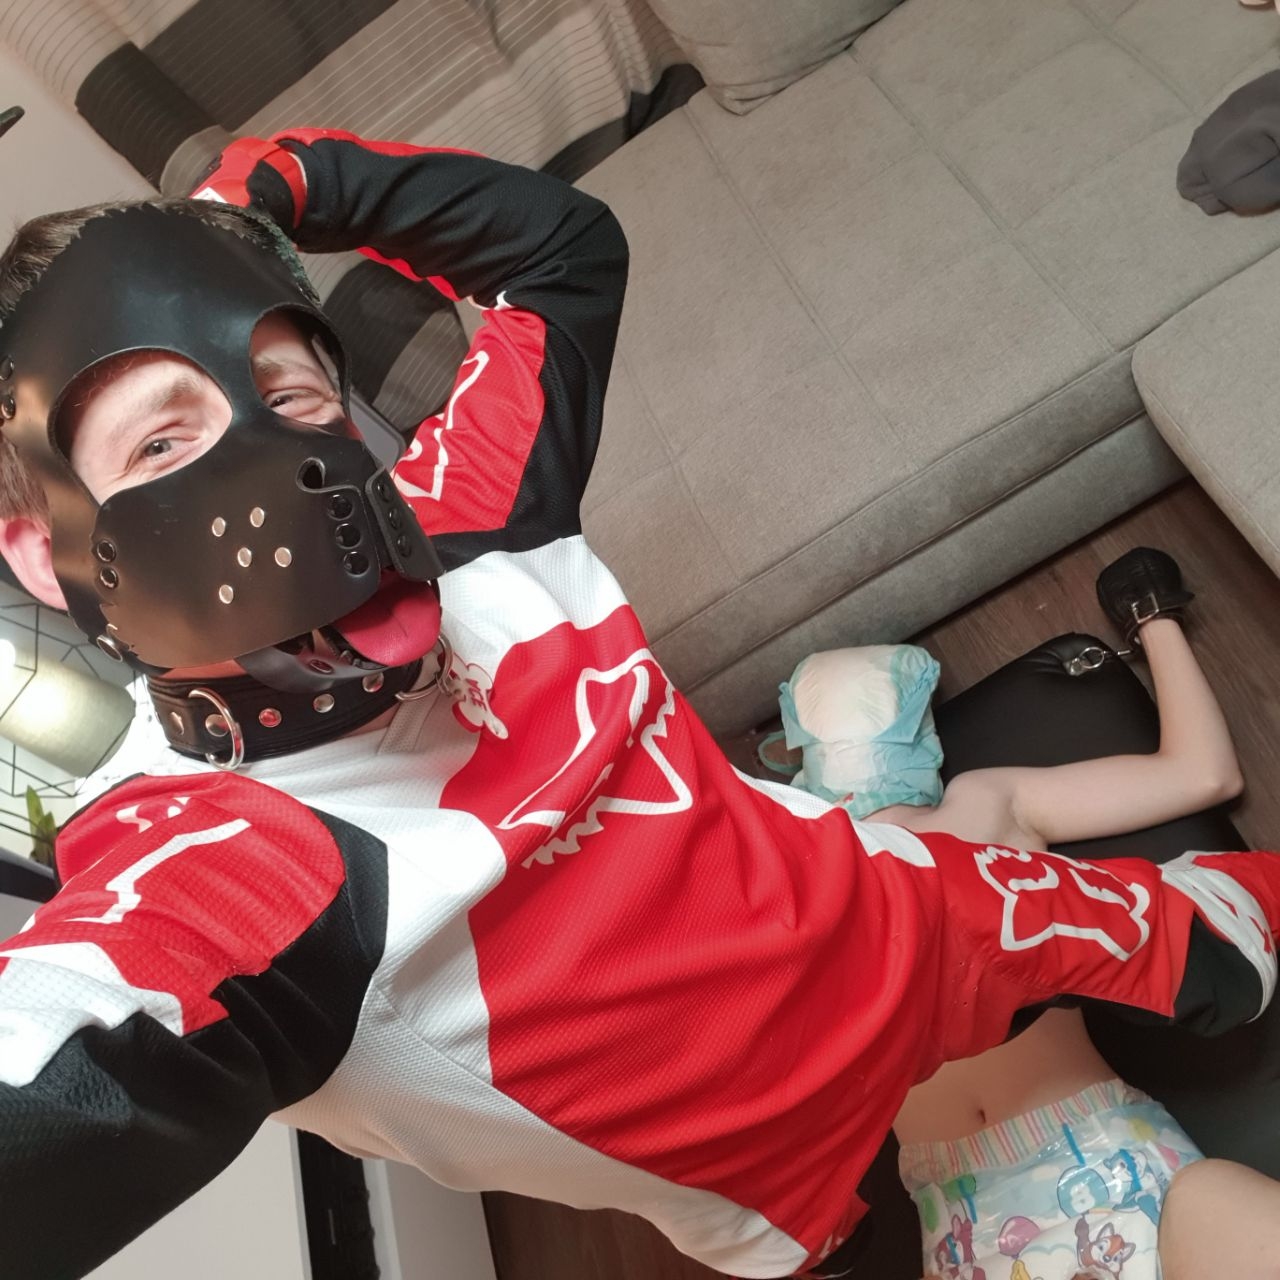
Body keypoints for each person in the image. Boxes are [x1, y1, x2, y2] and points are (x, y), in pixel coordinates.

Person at [0, 131, 1279, 1280]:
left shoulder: (468, 521)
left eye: (290, 394)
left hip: (898, 919)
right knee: (828, 1243)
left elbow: (557, 253)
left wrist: (288, 183)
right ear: (43, 553)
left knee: (1205, 952)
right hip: (760, 1177)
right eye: (161, 444)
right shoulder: (210, 855)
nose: (279, 462)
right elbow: (64, 1058)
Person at [772, 550, 1280, 1279]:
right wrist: (1150, 612)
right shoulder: (783, 908)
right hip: (963, 1218)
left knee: (1210, 1202)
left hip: (1095, 1170)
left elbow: (1205, 774)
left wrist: (1153, 618)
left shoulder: (981, 808)